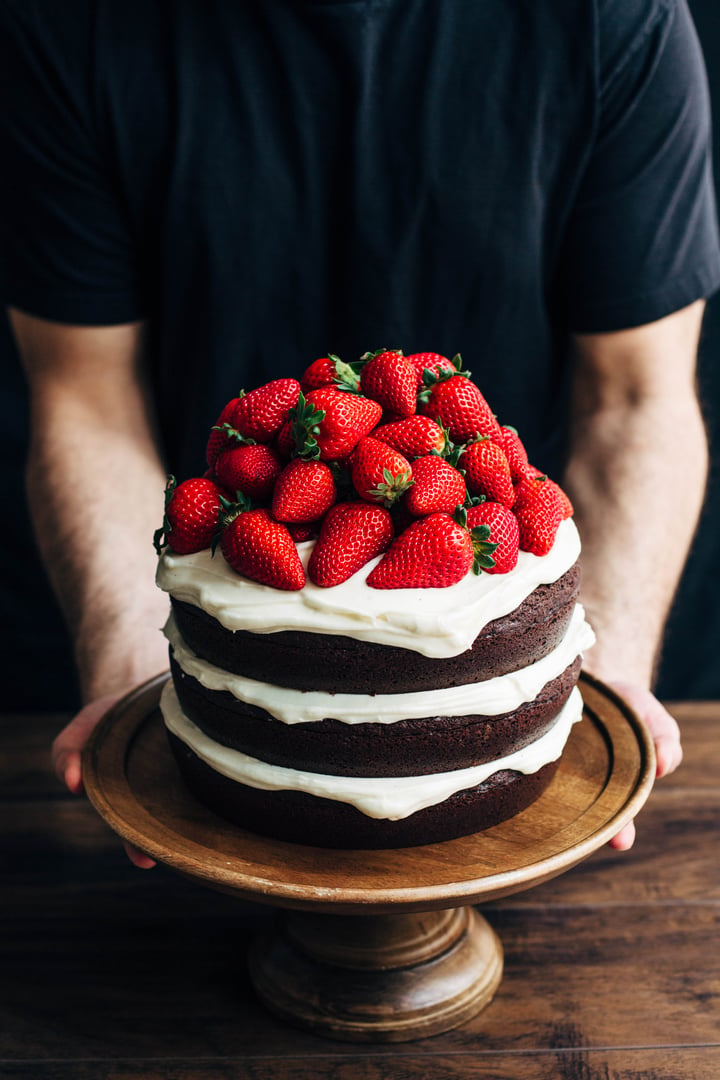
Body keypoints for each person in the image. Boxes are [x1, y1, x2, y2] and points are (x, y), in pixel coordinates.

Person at [2, 0, 717, 865]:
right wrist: (139, 680)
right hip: (232, 560)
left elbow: (637, 397)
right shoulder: (61, 26)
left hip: (476, 546)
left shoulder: (614, 16)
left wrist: (584, 679)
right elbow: (84, 395)